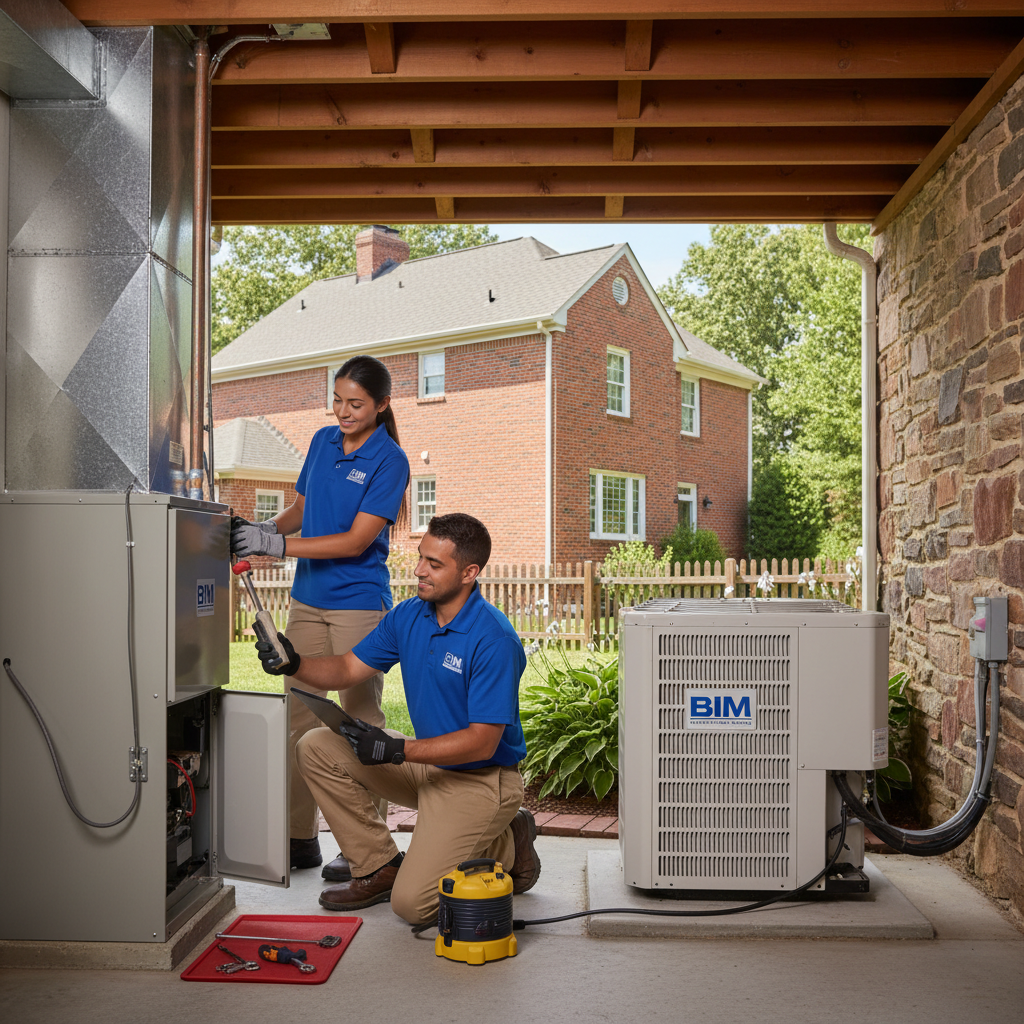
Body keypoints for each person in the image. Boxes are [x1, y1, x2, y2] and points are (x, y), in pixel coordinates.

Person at [255, 512, 541, 926]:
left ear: (469, 573)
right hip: (428, 765)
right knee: (315, 746)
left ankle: (508, 843)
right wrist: (293, 663)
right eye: (422, 557)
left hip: (481, 779)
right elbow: (348, 669)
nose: (419, 570)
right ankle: (378, 865)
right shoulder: (409, 616)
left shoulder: (493, 639)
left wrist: (397, 749)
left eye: (435, 564)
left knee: (413, 905)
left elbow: (482, 741)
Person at [231, 355, 410, 881]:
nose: (344, 412)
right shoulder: (321, 442)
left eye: (356, 404)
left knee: (358, 719)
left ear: (381, 405)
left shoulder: (390, 459)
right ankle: (298, 837)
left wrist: (276, 545)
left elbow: (357, 539)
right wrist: (263, 531)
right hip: (307, 598)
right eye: (337, 400)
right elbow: (302, 509)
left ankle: (365, 847)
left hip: (358, 601)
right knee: (297, 718)